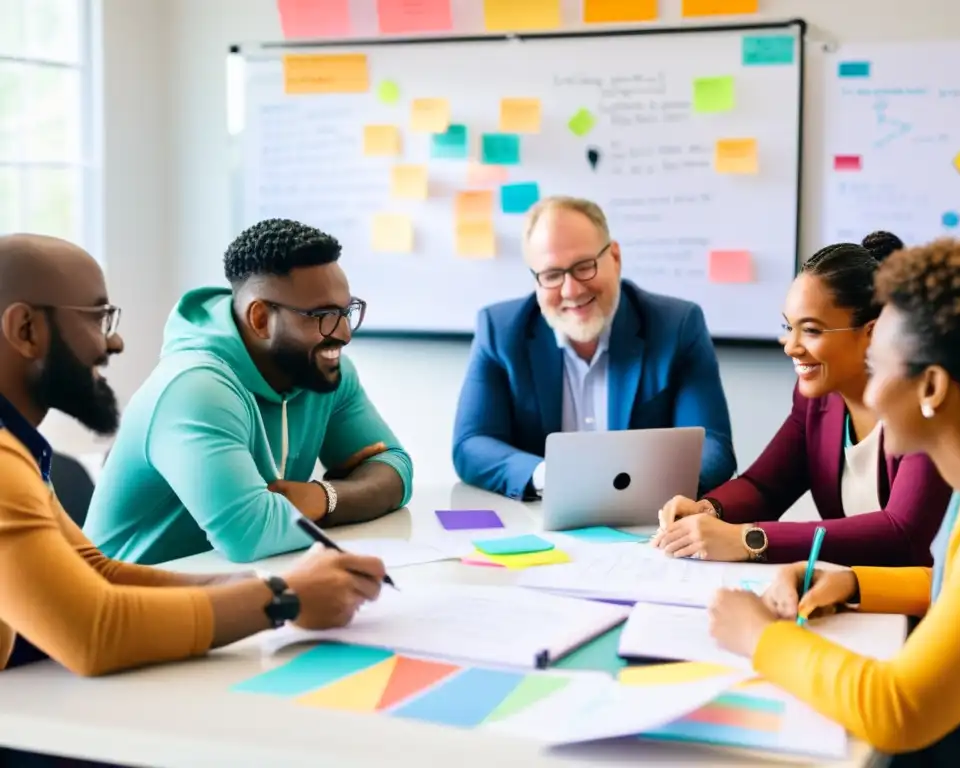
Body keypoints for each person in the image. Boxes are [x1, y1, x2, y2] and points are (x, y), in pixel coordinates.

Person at [0, 233, 386, 678]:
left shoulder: (15, 447)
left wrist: (268, 588)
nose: (116, 343)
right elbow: (95, 632)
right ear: (26, 329)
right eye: (98, 319)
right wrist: (283, 599)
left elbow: (96, 571)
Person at [708, 238, 960, 767]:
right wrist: (854, 581)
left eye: (878, 366)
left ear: (931, 387)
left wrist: (760, 637)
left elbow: (899, 709)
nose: (868, 395)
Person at [84, 219, 413, 564]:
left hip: (241, 589)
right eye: (325, 315)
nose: (344, 333)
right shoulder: (195, 388)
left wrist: (322, 498)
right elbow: (252, 534)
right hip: (133, 605)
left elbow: (395, 468)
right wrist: (352, 498)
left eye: (346, 311)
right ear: (259, 319)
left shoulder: (325, 373)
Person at [652, 232, 950, 565]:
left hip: (923, 604)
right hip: (848, 593)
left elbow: (902, 533)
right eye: (788, 327)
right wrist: (708, 509)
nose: (791, 346)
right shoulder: (818, 400)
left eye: (810, 330)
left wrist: (748, 539)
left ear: (872, 332)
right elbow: (766, 486)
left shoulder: (924, 406)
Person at [452, 196, 736, 500]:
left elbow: (714, 447)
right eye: (551, 275)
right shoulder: (500, 330)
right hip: (537, 521)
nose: (571, 290)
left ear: (614, 258)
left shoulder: (677, 326)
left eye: (584, 266)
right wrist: (550, 477)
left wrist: (634, 486)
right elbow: (472, 443)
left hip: (647, 523)